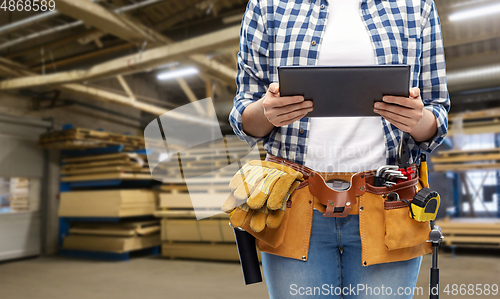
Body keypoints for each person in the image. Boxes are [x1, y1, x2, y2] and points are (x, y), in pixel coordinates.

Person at [229, 0, 450, 298]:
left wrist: (416, 119)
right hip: (293, 202)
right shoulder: (267, 5)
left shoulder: (416, 5)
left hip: (388, 203)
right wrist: (266, 113)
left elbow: (437, 111)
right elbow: (245, 117)